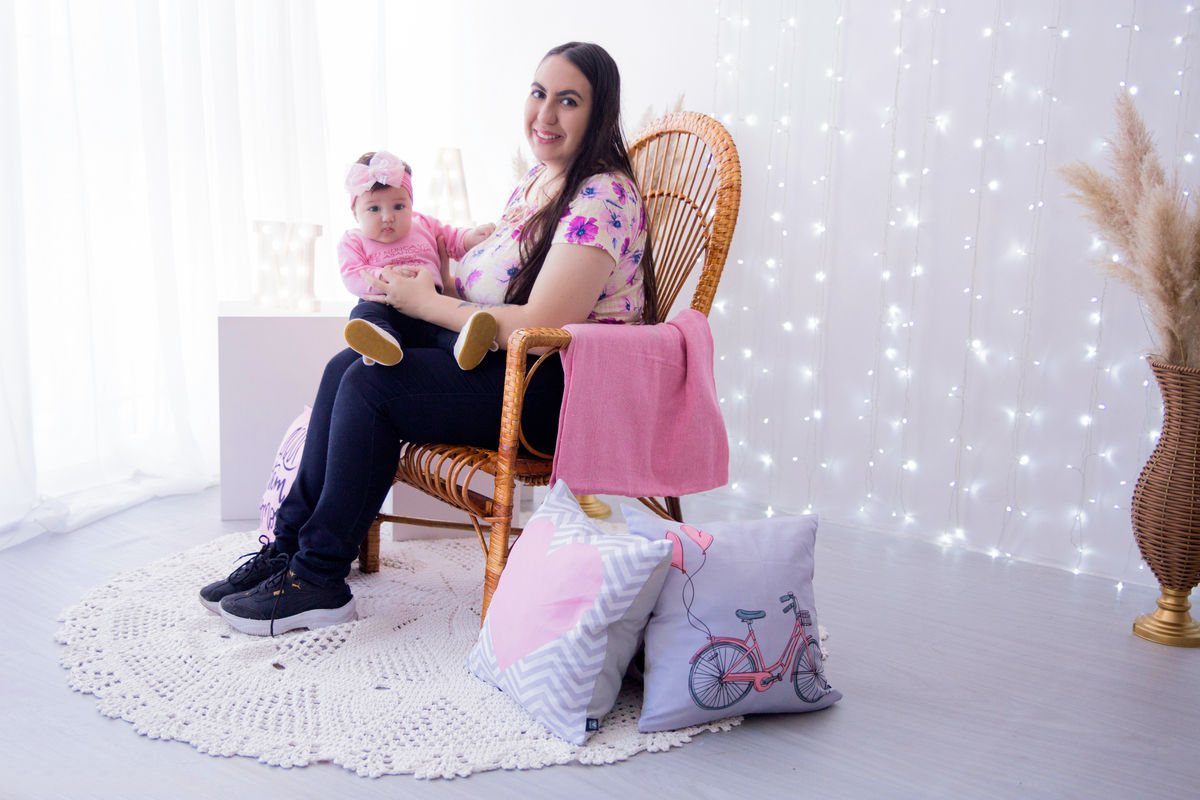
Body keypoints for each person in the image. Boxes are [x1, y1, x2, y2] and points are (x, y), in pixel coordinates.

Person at [200, 41, 660, 636]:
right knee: (347, 364)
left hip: (557, 390)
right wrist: (423, 281)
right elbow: (488, 277)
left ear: (598, 115)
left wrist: (430, 302)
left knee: (371, 389)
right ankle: (287, 549)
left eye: (568, 101)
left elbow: (545, 328)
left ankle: (318, 576)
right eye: (539, 93)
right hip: (504, 364)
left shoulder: (601, 197)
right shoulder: (540, 181)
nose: (545, 115)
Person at [339, 150, 500, 370]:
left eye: (399, 206)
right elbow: (351, 274)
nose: (388, 217)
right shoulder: (353, 239)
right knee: (362, 314)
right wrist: (385, 277)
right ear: (356, 213)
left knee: (442, 329)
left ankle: (462, 346)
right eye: (374, 208)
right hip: (384, 305)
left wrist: (473, 237)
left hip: (429, 303)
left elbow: (452, 239)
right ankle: (382, 341)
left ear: (411, 205)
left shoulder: (424, 224)